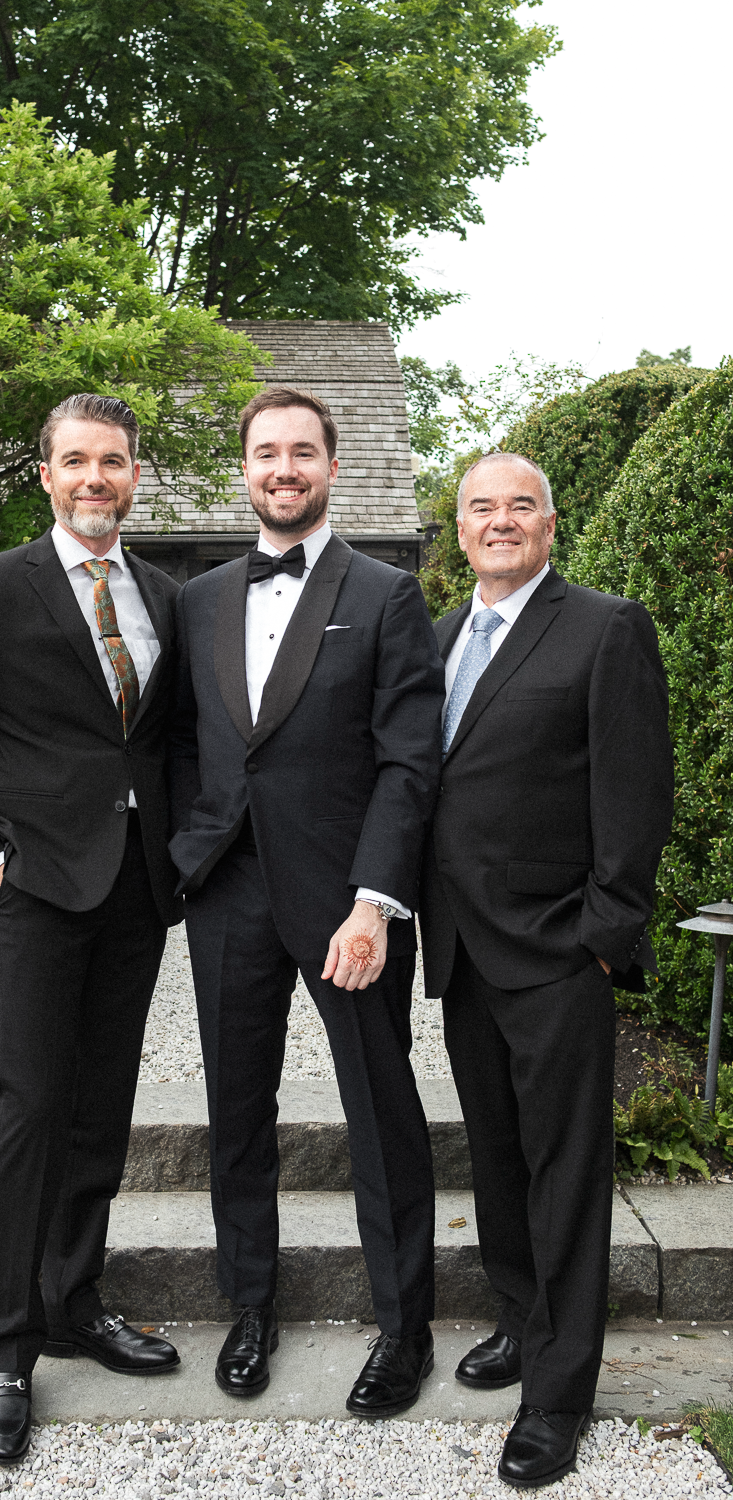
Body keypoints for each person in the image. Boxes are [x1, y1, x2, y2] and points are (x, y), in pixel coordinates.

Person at [0, 394, 184, 1468]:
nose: (95, 478)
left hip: (133, 894)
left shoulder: (164, 594)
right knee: (29, 1114)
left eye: (111, 461)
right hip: (32, 893)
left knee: (100, 1113)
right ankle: (7, 1349)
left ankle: (75, 1301)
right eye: (75, 461)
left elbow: (162, 746)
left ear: (134, 476)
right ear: (46, 475)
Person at [168, 385, 445, 1416]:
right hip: (227, 893)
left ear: (332, 468)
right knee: (235, 1110)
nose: (282, 469)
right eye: (265, 454)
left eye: (301, 453)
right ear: (244, 470)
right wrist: (181, 857)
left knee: (379, 1113)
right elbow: (179, 743)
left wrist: (375, 902)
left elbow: (408, 762)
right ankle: (249, 1306)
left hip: (346, 904)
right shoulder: (195, 599)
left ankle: (402, 1327)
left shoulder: (385, 596)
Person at [420, 452, 673, 1489]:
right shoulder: (439, 638)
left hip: (559, 946)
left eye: (518, 505)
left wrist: (604, 933)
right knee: (496, 1157)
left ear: (550, 523)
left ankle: (560, 1394)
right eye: (481, 506)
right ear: (460, 528)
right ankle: (522, 1324)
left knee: (566, 1173)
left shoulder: (604, 627)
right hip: (465, 953)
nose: (499, 521)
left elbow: (635, 788)